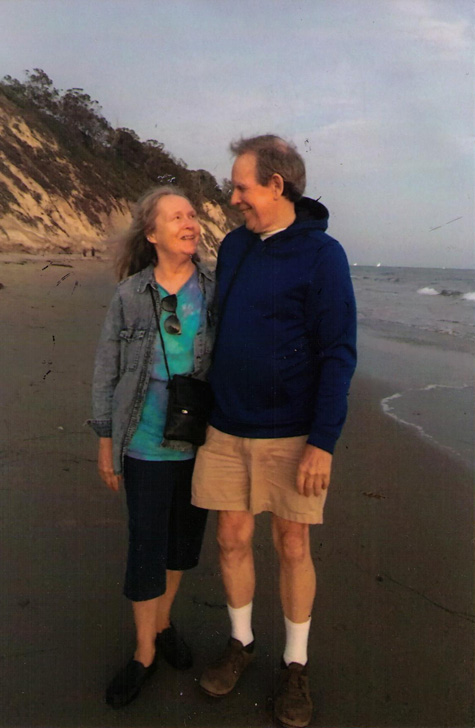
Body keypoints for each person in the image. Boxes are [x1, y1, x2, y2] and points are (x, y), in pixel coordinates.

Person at [192, 135, 357, 728]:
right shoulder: (234, 249)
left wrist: (323, 441)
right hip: (226, 426)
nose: (233, 197)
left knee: (293, 546)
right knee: (231, 539)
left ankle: (295, 663)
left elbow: (338, 352)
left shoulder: (323, 256)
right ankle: (241, 643)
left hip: (292, 433)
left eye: (241, 187)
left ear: (276, 186)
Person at [89, 186, 214, 709]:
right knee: (146, 546)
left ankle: (163, 625)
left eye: (192, 214)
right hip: (142, 441)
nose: (190, 222)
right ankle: (144, 652)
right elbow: (106, 367)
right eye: (177, 216)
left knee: (182, 547)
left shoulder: (215, 288)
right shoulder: (130, 295)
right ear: (153, 233)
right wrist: (104, 438)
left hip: (200, 444)